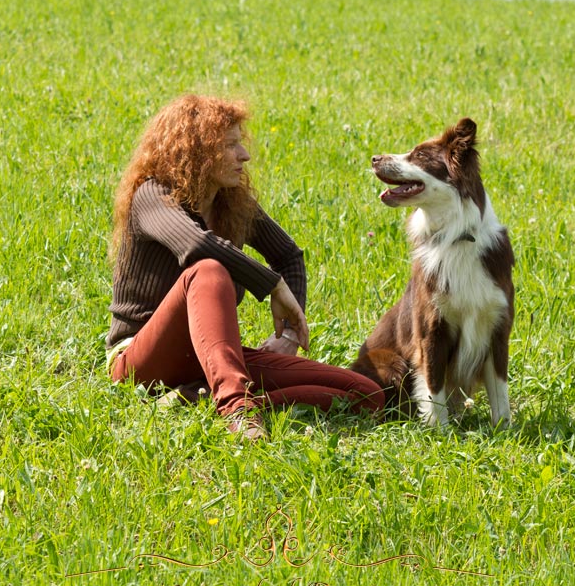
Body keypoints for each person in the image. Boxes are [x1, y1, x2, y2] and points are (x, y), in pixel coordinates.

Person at [107, 94, 385, 440]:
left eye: (240, 143)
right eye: (230, 146)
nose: (244, 155)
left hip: (210, 358)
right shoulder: (153, 195)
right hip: (141, 362)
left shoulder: (232, 204)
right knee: (208, 271)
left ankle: (198, 397)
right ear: (196, 152)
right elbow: (196, 245)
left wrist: (288, 336)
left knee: (365, 393)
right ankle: (237, 410)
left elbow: (289, 256)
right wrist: (272, 285)